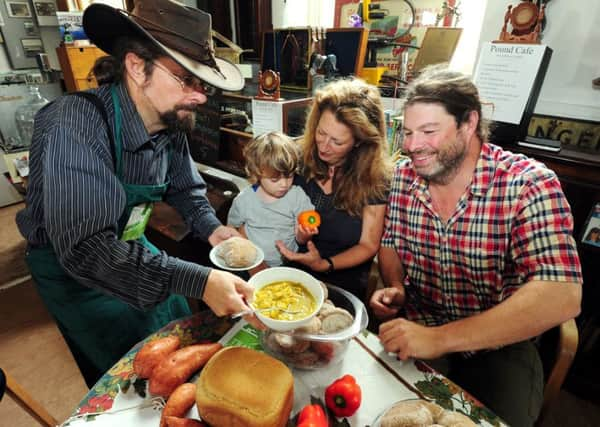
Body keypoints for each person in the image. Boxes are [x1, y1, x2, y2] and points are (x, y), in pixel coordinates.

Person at [16, 0, 259, 387]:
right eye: (186, 79)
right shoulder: (71, 125)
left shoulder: (170, 121)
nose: (200, 97)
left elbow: (186, 187)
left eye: (204, 84)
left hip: (135, 246)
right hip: (77, 274)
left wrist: (213, 229)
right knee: (133, 375)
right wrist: (201, 281)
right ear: (135, 66)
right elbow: (88, 249)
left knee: (180, 340)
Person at [369, 66, 582, 427]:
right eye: (407, 132)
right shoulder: (405, 177)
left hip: (500, 346)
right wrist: (397, 288)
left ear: (469, 124)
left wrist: (438, 339)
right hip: (419, 324)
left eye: (428, 131)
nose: (411, 145)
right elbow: (390, 244)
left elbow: (562, 294)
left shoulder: (528, 184)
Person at [276, 78, 393, 300]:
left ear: (359, 142)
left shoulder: (375, 178)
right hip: (288, 275)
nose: (323, 146)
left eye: (337, 142)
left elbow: (368, 245)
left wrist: (324, 265)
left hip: (339, 284)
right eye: (320, 133)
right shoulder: (296, 156)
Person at [227, 131, 317, 269]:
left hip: (288, 264)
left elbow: (301, 237)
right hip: (251, 264)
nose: (284, 184)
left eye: (289, 176)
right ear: (257, 174)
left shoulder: (296, 196)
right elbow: (232, 228)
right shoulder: (244, 200)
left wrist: (304, 234)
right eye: (275, 179)